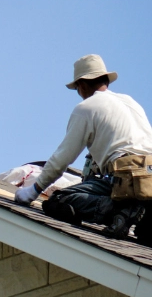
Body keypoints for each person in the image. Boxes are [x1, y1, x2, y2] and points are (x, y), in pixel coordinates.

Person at [14, 54, 152, 242]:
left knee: (59, 200)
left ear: (83, 85)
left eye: (77, 88)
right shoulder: (130, 102)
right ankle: (142, 215)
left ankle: (122, 211)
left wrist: (33, 190)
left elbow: (62, 159)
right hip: (149, 183)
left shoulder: (87, 107)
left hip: (126, 179)